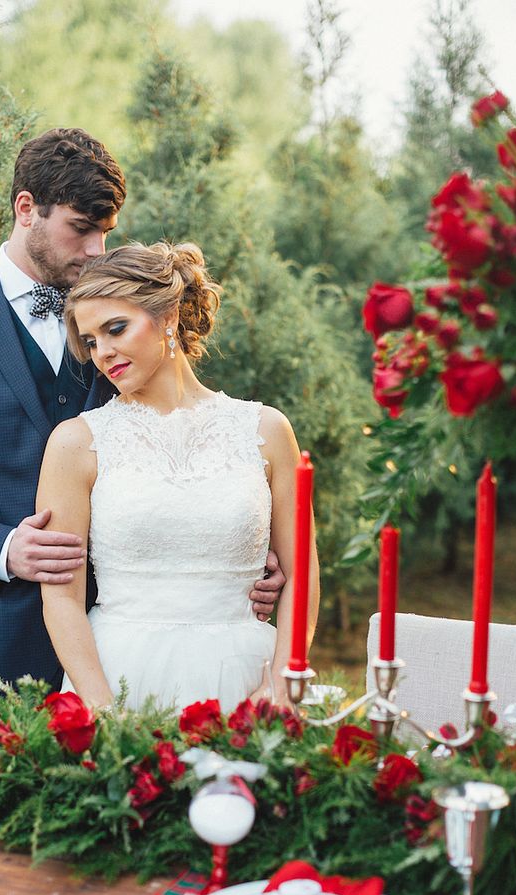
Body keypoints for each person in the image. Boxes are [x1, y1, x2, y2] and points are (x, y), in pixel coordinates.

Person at [0, 128, 282, 700]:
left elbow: (182, 442)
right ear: (26, 209)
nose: (95, 251)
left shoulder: (122, 315)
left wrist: (239, 556)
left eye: (105, 233)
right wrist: (3, 548)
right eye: (81, 229)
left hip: (129, 649)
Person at [37, 241, 319, 711]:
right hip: (119, 677)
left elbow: (302, 573)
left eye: (116, 328)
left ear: (167, 315)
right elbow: (62, 599)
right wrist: (103, 711)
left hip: (248, 678)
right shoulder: (75, 443)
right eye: (91, 341)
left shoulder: (267, 431)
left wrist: (282, 685)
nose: (103, 353)